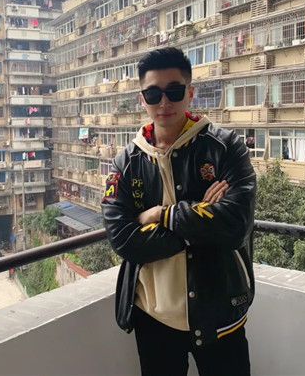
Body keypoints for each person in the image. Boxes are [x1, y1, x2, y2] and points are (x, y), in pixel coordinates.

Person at [101, 47, 256, 376]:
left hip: (218, 312)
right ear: (142, 98)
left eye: (173, 91)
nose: (164, 102)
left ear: (190, 92)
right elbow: (123, 239)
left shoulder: (225, 147)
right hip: (152, 317)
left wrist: (162, 215)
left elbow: (236, 225)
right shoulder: (127, 162)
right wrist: (200, 220)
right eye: (153, 94)